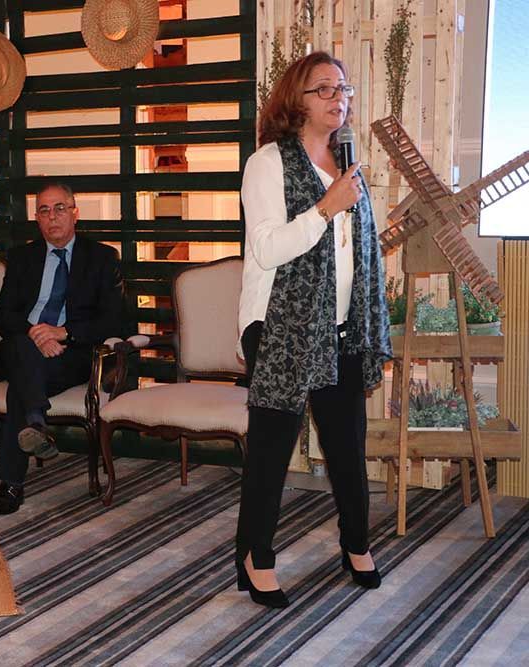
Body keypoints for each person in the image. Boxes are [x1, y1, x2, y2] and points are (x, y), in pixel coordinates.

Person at [235, 51, 392, 608]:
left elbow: (358, 252)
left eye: (343, 88)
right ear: (295, 99)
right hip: (279, 325)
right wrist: (326, 207)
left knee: (347, 445)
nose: (338, 98)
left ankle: (356, 544)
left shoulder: (348, 162)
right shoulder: (268, 163)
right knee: (272, 449)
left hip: (340, 328)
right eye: (324, 88)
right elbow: (266, 248)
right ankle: (256, 556)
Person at [0, 181, 124, 515]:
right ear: (37, 219)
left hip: (70, 355)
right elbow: (2, 314)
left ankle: (12, 482)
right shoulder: (22, 257)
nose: (52, 217)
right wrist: (36, 334)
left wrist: (63, 333)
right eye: (44, 211)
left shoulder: (102, 257)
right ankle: (35, 422)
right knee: (22, 350)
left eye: (59, 208)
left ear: (75, 213)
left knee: (21, 384)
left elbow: (114, 320)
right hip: (24, 346)